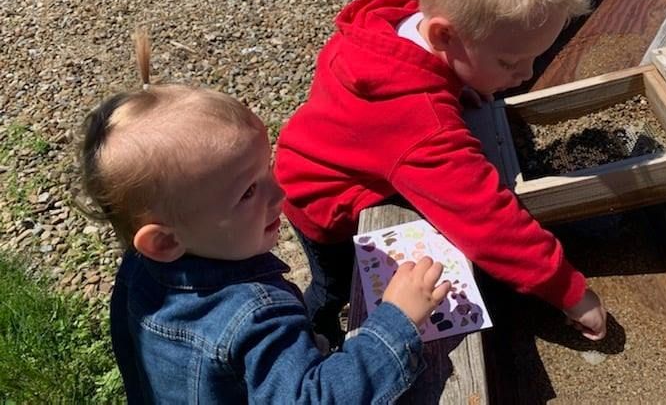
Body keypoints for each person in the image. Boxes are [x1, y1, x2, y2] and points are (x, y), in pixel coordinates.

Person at [275, 0, 608, 350]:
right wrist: (569, 290)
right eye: (511, 61)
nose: (527, 74)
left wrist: (458, 82)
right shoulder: (417, 122)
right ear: (443, 37)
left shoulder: (391, 25)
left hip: (309, 155)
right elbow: (486, 220)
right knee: (333, 288)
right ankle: (308, 338)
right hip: (321, 204)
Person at [77, 31, 451, 403]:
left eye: (267, 169)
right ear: (165, 241)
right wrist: (397, 320)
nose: (280, 191)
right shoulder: (255, 318)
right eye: (249, 191)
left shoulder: (140, 272)